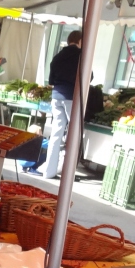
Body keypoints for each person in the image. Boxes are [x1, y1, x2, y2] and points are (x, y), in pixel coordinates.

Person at [42, 29, 82, 182]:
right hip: (71, 97)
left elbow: (51, 80)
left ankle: (49, 171)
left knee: (56, 134)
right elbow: (89, 76)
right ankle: (67, 172)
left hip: (56, 96)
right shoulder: (81, 55)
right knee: (73, 134)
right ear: (80, 41)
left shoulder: (58, 56)